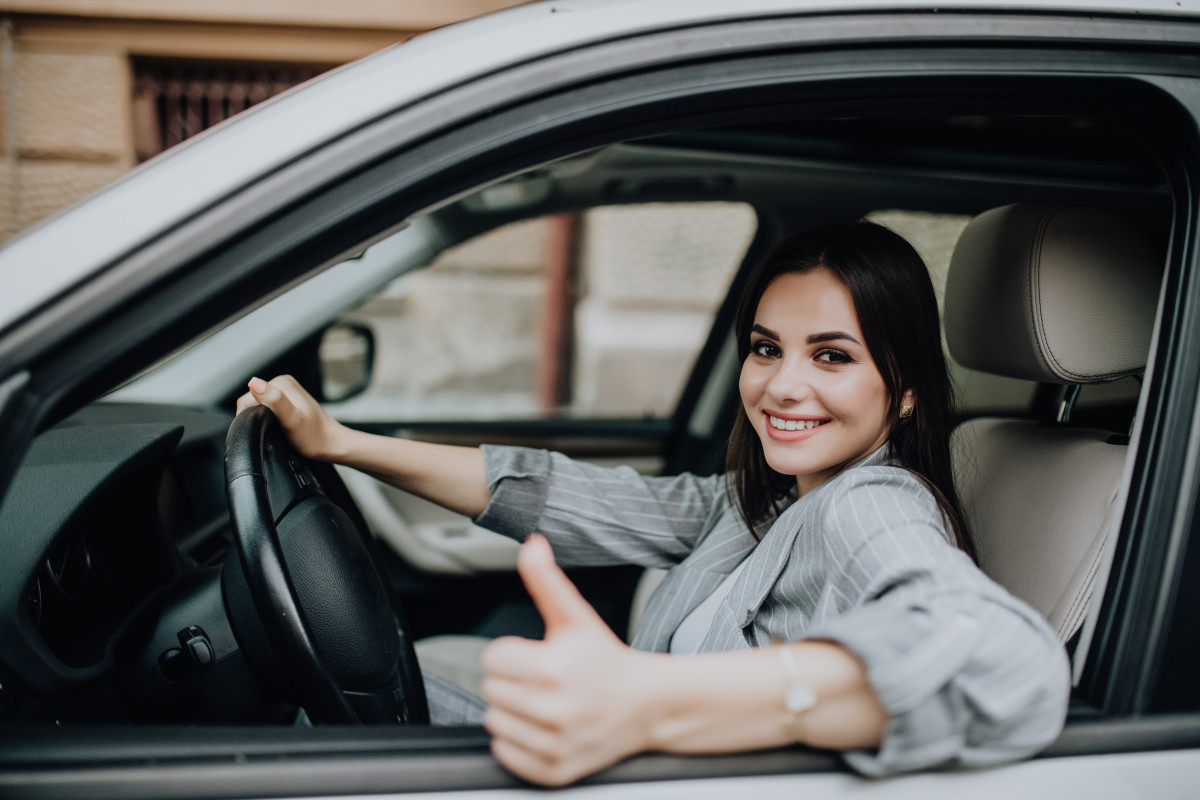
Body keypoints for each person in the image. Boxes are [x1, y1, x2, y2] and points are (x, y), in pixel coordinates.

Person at [237, 221, 1070, 786]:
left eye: (832, 356)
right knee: (352, 706)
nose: (784, 385)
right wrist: (342, 443)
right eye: (767, 349)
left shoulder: (872, 506)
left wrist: (649, 700)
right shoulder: (763, 501)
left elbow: (1002, 660)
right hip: (640, 766)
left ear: (909, 390)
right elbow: (569, 498)